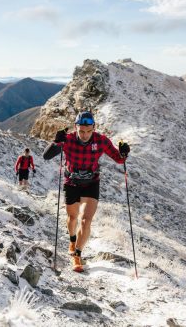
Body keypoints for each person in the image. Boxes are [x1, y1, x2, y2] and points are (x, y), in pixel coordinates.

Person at [43, 111, 130, 272]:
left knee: (86, 220)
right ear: (76, 127)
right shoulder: (67, 140)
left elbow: (119, 159)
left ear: (94, 127)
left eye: (89, 131)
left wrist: (125, 151)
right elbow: (46, 156)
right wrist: (56, 142)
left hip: (92, 182)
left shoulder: (101, 141)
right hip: (72, 182)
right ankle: (72, 239)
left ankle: (77, 255)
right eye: (81, 131)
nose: (85, 135)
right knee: (72, 217)